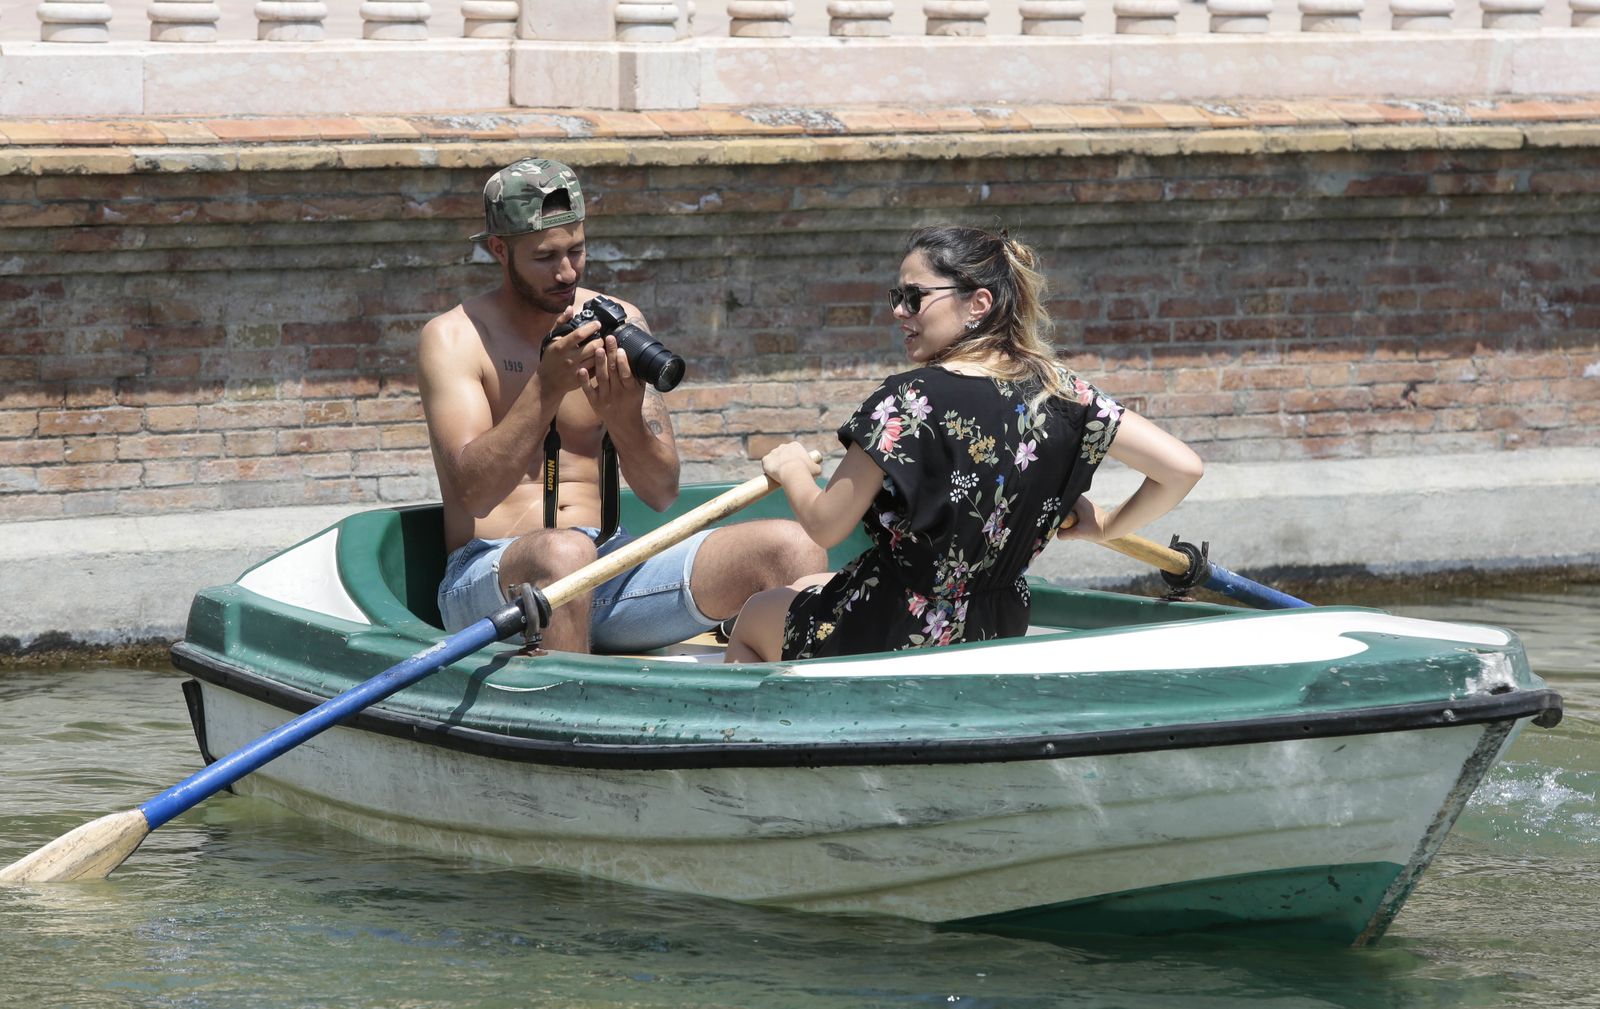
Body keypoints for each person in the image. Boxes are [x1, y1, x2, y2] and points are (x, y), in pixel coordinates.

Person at [724, 224, 1204, 663]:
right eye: (898, 295)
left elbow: (826, 527)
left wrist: (789, 469)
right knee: (810, 583)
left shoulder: (908, 400)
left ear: (978, 303)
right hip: (992, 630)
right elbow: (1181, 469)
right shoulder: (1062, 392)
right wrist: (1107, 527)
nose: (898, 310)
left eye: (915, 296)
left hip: (890, 630)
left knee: (753, 618)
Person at [418, 157, 825, 652]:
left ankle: (786, 720)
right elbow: (472, 496)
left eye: (577, 250)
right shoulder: (453, 337)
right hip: (489, 577)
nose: (566, 271)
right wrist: (547, 388)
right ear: (500, 250)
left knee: (793, 546)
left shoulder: (618, 322)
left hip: (609, 560)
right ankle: (567, 716)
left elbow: (661, 493)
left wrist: (623, 417)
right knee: (564, 551)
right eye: (546, 256)